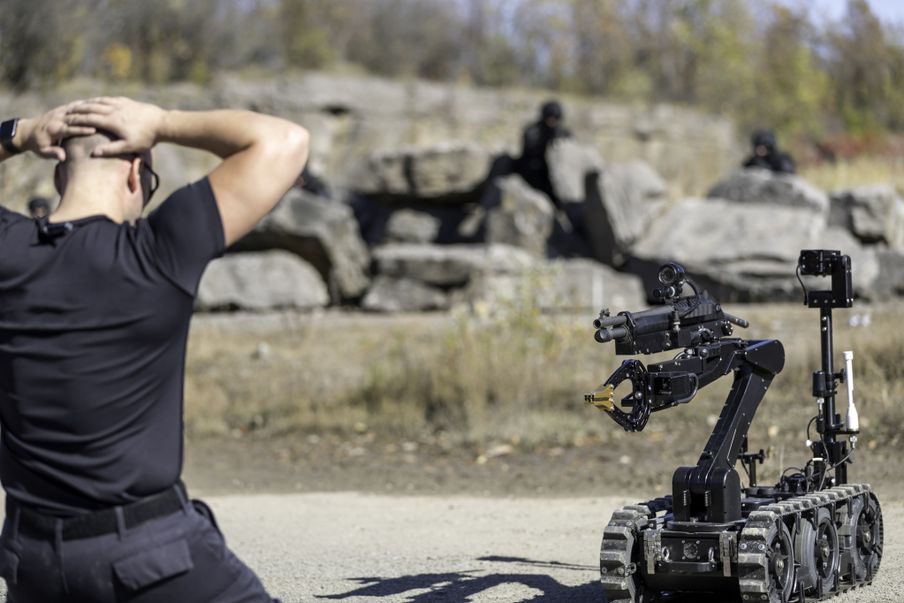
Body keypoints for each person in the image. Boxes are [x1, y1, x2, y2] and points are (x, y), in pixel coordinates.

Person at [0, 98, 309, 602]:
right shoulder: (154, 253)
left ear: (58, 176)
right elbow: (284, 141)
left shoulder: (9, 252)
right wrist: (162, 123)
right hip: (148, 555)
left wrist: (20, 132)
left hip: (31, 562)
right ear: (134, 175)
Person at [515, 100, 572, 205]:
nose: (552, 121)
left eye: (555, 118)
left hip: (555, 175)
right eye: (549, 118)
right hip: (534, 173)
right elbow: (529, 154)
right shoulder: (533, 132)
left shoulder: (564, 134)